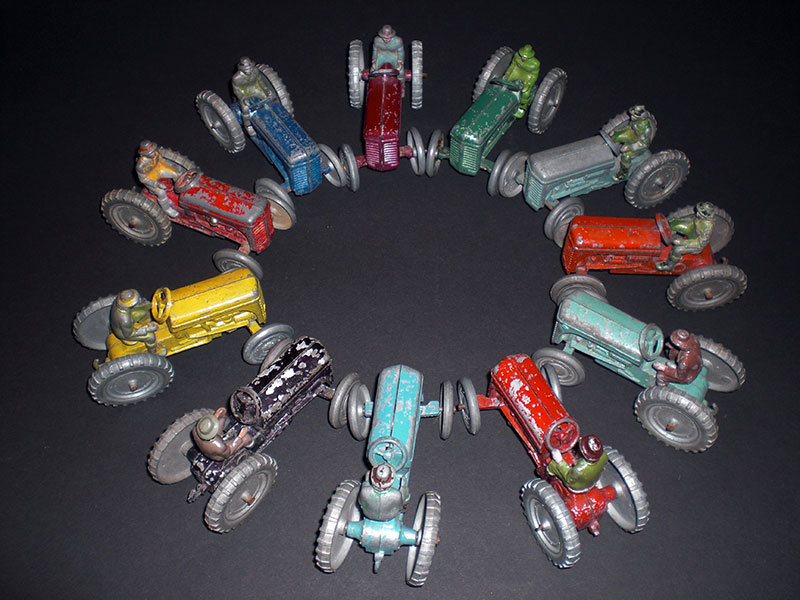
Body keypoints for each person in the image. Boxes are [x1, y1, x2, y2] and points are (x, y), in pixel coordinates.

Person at [656, 202, 716, 271]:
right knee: (674, 223)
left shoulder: (707, 226)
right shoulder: (699, 217)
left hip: (696, 244)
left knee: (677, 250)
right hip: (692, 229)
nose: (697, 213)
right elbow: (691, 219)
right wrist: (677, 221)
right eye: (698, 211)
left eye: (700, 213)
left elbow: (700, 243)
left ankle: (668, 265)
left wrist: (683, 242)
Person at [135, 140, 183, 217]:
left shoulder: (156, 153)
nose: (154, 153)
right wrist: (156, 184)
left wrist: (173, 168)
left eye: (154, 150)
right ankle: (167, 209)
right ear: (145, 155)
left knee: (177, 174)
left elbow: (162, 161)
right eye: (151, 153)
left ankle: (182, 193)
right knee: (161, 193)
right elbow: (143, 179)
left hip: (159, 169)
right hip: (150, 178)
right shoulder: (140, 166)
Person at [231, 56, 276, 136]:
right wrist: (243, 98)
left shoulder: (255, 71)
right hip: (244, 93)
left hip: (255, 89)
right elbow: (236, 91)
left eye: (250, 68)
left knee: (267, 98)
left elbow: (260, 81)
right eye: (246, 69)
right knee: (245, 109)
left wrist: (266, 90)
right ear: (241, 69)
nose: (248, 71)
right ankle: (248, 126)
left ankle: (271, 114)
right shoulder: (236, 78)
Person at [109, 289, 162, 354]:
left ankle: (146, 323)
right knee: (151, 337)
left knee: (144, 312)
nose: (139, 300)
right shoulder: (125, 320)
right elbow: (128, 334)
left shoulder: (118, 301)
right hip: (125, 333)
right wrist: (147, 329)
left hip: (122, 323)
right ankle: (153, 351)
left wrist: (148, 305)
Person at [609, 105, 653, 181]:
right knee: (614, 136)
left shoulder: (645, 128)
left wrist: (629, 147)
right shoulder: (635, 121)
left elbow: (644, 144)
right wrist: (617, 133)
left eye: (635, 116)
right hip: (633, 134)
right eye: (633, 115)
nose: (632, 117)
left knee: (626, 157)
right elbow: (630, 127)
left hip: (640, 144)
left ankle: (623, 173)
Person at [502, 44, 540, 117]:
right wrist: (507, 73)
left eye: (526, 57)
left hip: (528, 76)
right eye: (522, 56)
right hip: (516, 72)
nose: (523, 58)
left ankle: (522, 108)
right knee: (504, 83)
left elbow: (535, 75)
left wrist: (529, 85)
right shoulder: (517, 56)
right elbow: (512, 65)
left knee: (525, 93)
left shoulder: (536, 64)